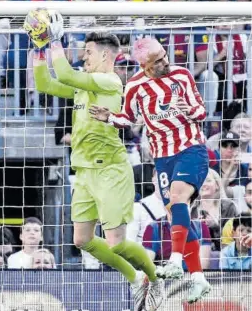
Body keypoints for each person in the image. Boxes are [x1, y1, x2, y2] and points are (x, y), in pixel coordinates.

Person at [27, 11, 163, 311]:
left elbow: (63, 73)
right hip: (85, 172)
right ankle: (135, 279)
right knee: (82, 240)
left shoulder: (110, 81)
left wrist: (54, 40)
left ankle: (155, 278)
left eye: (87, 52)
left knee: (116, 242)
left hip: (111, 171)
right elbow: (46, 84)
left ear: (104, 55)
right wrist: (39, 47)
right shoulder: (84, 85)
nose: (83, 57)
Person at [90, 37, 211, 303]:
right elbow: (128, 118)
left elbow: (201, 110)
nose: (165, 62)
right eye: (158, 61)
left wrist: (188, 110)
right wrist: (109, 118)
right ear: (144, 65)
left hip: (191, 149)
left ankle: (176, 261)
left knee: (178, 197)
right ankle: (199, 279)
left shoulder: (182, 75)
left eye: (165, 56)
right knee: (175, 214)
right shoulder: (134, 85)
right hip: (162, 156)